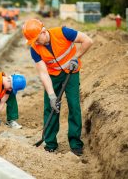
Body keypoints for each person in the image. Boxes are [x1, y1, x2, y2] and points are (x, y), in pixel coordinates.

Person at [22, 19, 93, 156]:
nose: (36, 43)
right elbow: (43, 73)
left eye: (36, 39)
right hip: (53, 75)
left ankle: (75, 144)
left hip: (71, 71)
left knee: (74, 105)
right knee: (51, 107)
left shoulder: (63, 32)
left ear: (43, 32)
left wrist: (76, 58)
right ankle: (50, 144)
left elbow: (88, 41)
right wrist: (52, 96)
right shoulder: (35, 49)